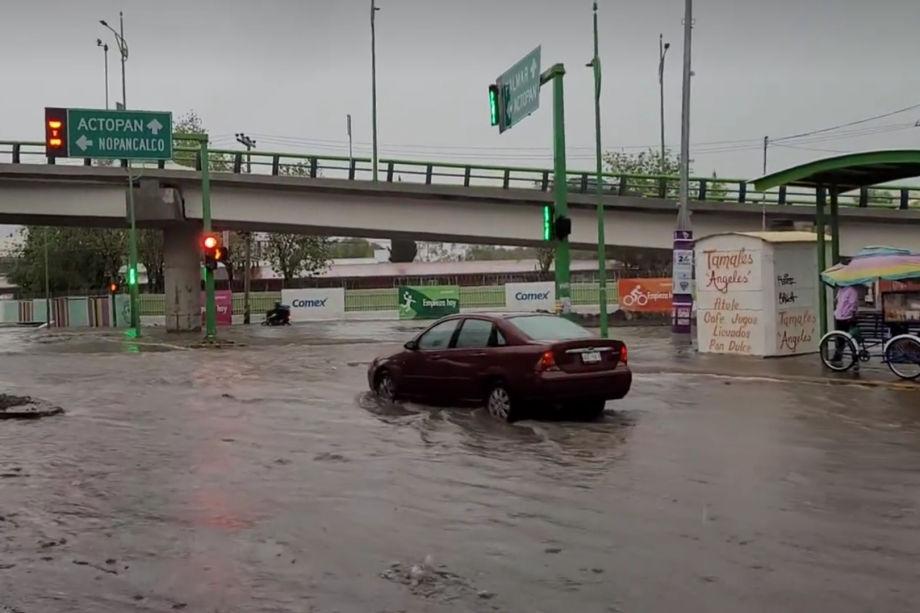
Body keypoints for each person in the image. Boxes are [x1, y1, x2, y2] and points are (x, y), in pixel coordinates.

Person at [831, 284, 860, 364]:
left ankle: (854, 356)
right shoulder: (840, 290)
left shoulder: (852, 291)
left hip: (847, 318)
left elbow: (853, 305)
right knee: (840, 338)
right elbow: (837, 301)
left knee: (850, 338)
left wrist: (851, 315)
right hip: (839, 317)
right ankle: (838, 356)